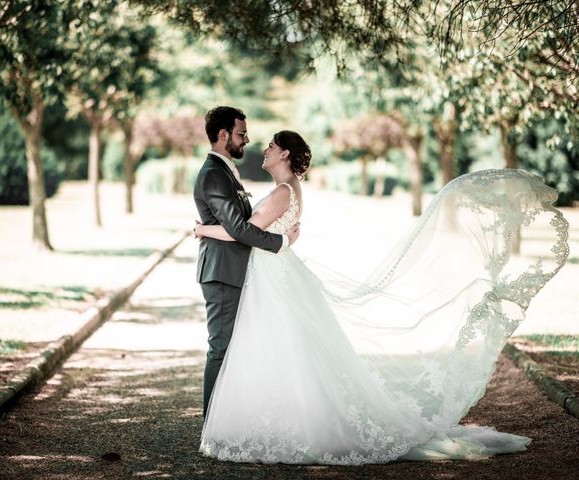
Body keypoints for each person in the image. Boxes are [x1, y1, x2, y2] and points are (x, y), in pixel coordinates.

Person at [193, 130, 570, 464]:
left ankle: (285, 422)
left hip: (273, 278)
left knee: (283, 349)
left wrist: (202, 228)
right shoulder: (288, 190)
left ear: (285, 155)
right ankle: (272, 416)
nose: (265, 149)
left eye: (272, 146)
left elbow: (244, 232)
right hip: (274, 276)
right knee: (285, 349)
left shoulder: (281, 192)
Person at [193, 107, 300, 417]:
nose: (248, 139)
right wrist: (281, 242)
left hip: (236, 270)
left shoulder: (225, 169)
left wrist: (201, 228)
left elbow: (238, 224)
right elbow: (239, 229)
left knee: (236, 348)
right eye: (241, 134)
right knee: (221, 348)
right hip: (223, 272)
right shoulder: (214, 173)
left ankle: (231, 417)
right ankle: (212, 423)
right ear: (223, 135)